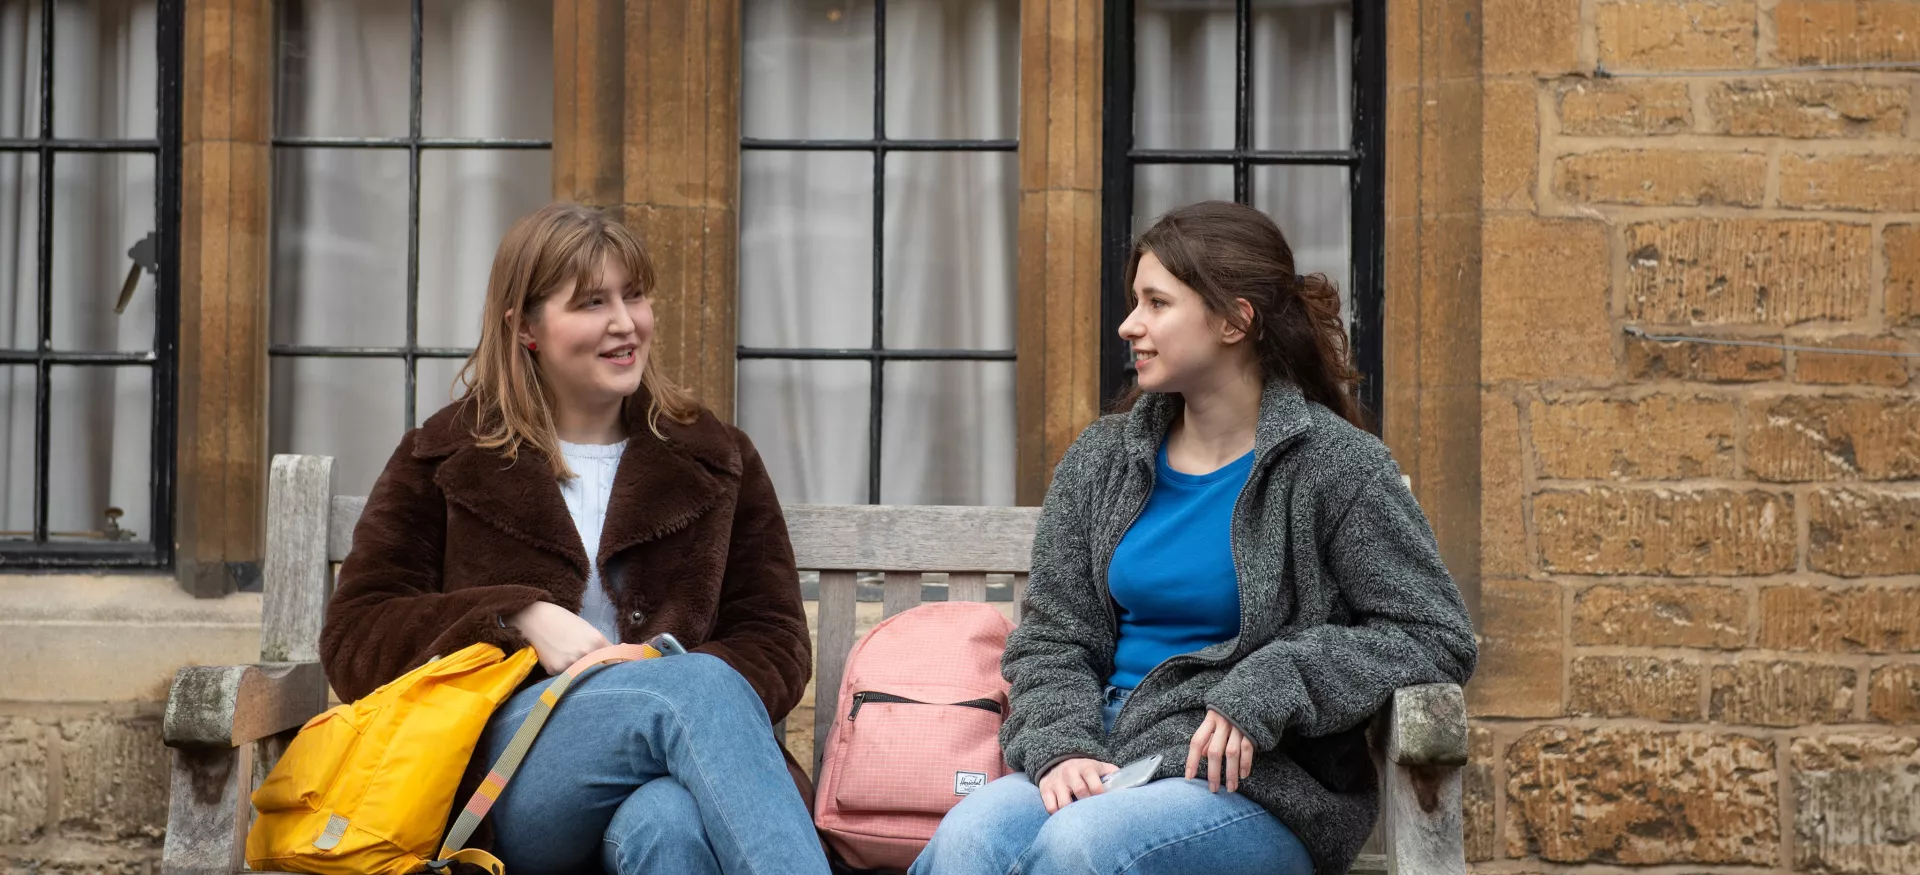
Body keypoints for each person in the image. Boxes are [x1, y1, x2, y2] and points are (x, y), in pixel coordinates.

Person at [912, 201, 1477, 875]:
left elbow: (1435, 633)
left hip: (1253, 784)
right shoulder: (1102, 459)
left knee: (1083, 848)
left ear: (1235, 320)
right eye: (1134, 302)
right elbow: (1055, 637)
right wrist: (1062, 745)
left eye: (1156, 302)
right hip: (1105, 755)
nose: (1130, 325)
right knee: (969, 838)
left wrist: (1276, 679)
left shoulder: (1336, 467)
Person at [318, 202, 829, 875]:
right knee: (695, 686)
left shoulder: (716, 457)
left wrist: (650, 667)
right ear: (524, 326)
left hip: (670, 764)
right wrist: (517, 616)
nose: (625, 323)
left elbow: (777, 641)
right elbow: (356, 636)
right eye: (591, 302)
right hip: (502, 783)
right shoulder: (445, 457)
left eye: (635, 295)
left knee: (668, 825)